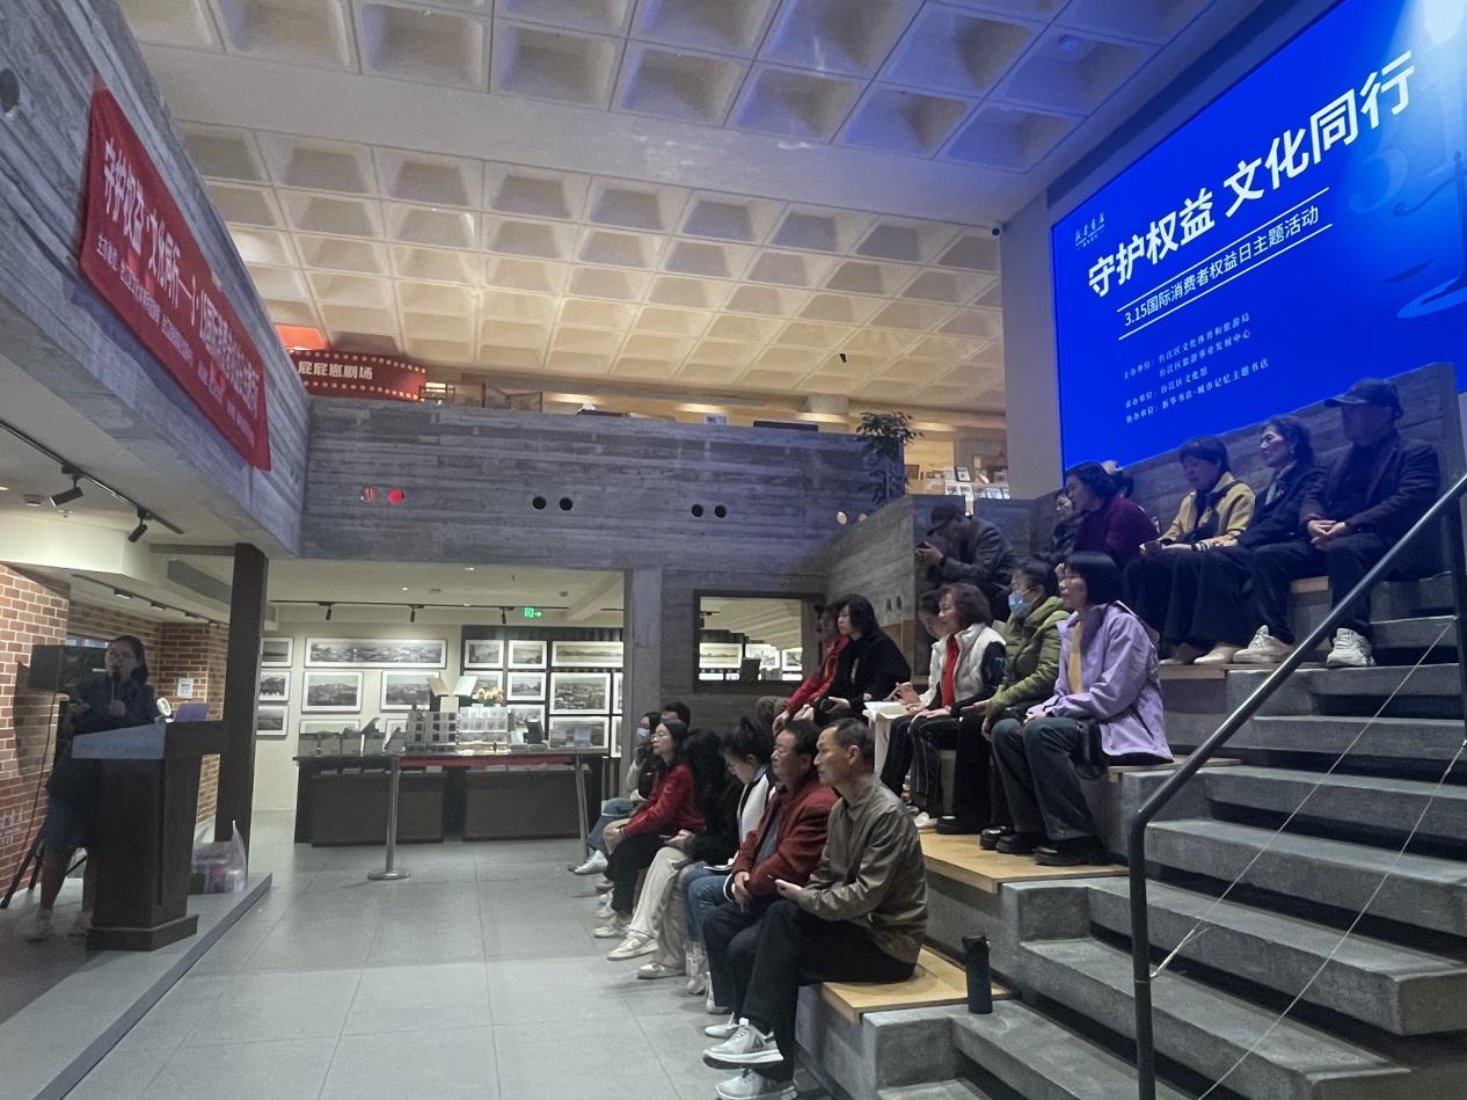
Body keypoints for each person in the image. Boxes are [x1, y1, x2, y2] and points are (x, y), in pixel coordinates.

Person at [701, 719, 926, 1100]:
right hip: (853, 926)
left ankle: (767, 1057)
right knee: (764, 940)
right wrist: (805, 897)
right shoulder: (842, 809)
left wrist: (806, 900)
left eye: (823, 751)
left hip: (887, 944)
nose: (817, 760)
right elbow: (824, 874)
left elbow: (865, 896)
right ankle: (761, 1044)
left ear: (851, 755)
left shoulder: (887, 814)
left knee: (778, 940)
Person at [1234, 379, 1441, 668]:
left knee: (1345, 549)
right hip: (1335, 539)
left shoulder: (1416, 452)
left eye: (1354, 410)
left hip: (1390, 542)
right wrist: (1311, 521)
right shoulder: (1339, 461)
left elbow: (1408, 500)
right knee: (1269, 555)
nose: (1346, 417)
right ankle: (1275, 636)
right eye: (1344, 411)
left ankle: (1353, 634)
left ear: (1385, 413)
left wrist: (1350, 525)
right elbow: (1314, 496)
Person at [991, 553, 1171, 867]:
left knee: (1042, 731)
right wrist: (1041, 709)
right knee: (1006, 729)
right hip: (1083, 720)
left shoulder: (1124, 625)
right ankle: (1032, 828)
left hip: (1121, 725)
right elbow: (1062, 691)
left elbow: (1113, 696)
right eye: (1063, 577)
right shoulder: (1071, 627)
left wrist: (1053, 713)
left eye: (1072, 577)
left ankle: (1078, 838)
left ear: (1095, 581)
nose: (1063, 584)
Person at [698, 720, 837, 1022]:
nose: (773, 756)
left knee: (742, 946)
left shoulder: (819, 804)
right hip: (761, 887)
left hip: (789, 898)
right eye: (774, 748)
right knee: (715, 923)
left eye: (781, 751)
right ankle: (735, 1011)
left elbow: (790, 863)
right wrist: (740, 871)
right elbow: (754, 838)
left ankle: (755, 1023)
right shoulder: (782, 791)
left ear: (804, 760)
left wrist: (749, 884)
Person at [1163, 418, 1328, 665]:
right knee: (1188, 562)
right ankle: (1192, 641)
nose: (1263, 446)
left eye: (1269, 439)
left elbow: (1288, 518)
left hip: (1295, 546)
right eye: (1261, 441)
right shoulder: (1268, 491)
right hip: (1261, 545)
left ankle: (1230, 640)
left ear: (1292, 441)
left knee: (1218, 558)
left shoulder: (1312, 476)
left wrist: (1239, 541)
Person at [27, 635, 158, 942]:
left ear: (137, 661)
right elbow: (73, 728)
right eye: (112, 654)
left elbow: (149, 731)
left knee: (99, 847)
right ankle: (44, 913)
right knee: (58, 845)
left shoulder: (143, 694)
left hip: (113, 782)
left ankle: (88, 913)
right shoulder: (87, 688)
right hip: (75, 780)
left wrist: (124, 716)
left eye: (124, 655)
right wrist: (82, 716)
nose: (116, 660)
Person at [635, 719, 775, 983]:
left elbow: (741, 840)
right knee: (669, 862)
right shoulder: (740, 784)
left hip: (736, 862)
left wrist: (693, 844)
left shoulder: (752, 786)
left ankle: (707, 961)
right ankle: (656, 941)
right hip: (729, 857)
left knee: (692, 881)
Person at [605, 728, 745, 960]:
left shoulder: (724, 786)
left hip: (706, 845)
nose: (653, 738)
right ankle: (643, 934)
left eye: (662, 734)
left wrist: (690, 842)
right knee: (648, 851)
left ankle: (645, 934)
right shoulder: (681, 774)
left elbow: (729, 841)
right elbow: (648, 799)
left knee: (675, 871)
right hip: (692, 837)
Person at [879, 584, 1005, 831]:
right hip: (955, 713)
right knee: (901, 724)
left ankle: (930, 807)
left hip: (975, 717)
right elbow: (940, 688)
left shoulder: (990, 642)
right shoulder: (950, 643)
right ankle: (887, 797)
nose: (941, 615)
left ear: (966, 609)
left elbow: (995, 689)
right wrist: (929, 707)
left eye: (946, 608)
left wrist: (952, 709)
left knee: (923, 728)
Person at [1123, 436, 1256, 657]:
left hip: (1222, 557)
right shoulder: (1190, 500)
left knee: (1188, 561)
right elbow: (1174, 532)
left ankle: (1196, 641)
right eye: (1185, 466)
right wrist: (1157, 546)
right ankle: (1150, 640)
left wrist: (1195, 548)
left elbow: (1236, 536)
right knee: (1139, 566)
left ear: (1217, 462)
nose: (1189, 472)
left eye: (1195, 464)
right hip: (1189, 555)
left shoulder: (1240, 493)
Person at [966, 561, 1067, 847]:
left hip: (1046, 698)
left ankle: (1023, 823)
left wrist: (1000, 703)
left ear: (1035, 591)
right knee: (979, 723)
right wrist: (996, 701)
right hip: (1021, 698)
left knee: (1005, 727)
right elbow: (1009, 674)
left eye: (1016, 588)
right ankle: (994, 817)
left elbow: (1047, 676)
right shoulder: (1017, 620)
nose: (1011, 595)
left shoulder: (1056, 619)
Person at [596, 719, 705, 939]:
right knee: (620, 841)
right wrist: (630, 824)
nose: (654, 739)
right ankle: (620, 903)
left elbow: (661, 813)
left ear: (675, 740)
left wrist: (626, 831)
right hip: (663, 826)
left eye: (661, 735)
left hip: (678, 830)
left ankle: (622, 914)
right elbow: (652, 803)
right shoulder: (664, 768)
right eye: (654, 735)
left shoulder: (680, 772)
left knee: (627, 851)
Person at [570, 709, 660, 876]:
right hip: (638, 800)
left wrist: (638, 797)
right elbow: (630, 785)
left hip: (647, 805)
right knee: (614, 804)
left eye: (646, 728)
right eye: (641, 726)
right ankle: (600, 857)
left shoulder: (660, 759)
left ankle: (601, 858)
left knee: (615, 810)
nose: (642, 731)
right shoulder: (644, 754)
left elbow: (648, 792)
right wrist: (637, 763)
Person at [813, 596, 911, 723]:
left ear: (859, 616)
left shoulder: (881, 644)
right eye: (839, 616)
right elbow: (837, 684)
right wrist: (817, 704)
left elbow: (883, 685)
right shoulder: (848, 648)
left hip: (874, 707)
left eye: (844, 616)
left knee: (839, 718)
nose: (840, 620)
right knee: (818, 713)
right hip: (852, 704)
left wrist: (852, 703)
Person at [914, 503, 1017, 621]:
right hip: (972, 583)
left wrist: (941, 560)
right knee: (930, 598)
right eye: (940, 532)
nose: (943, 535)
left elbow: (981, 573)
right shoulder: (954, 541)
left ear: (958, 519)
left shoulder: (987, 533)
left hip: (997, 585)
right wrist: (931, 565)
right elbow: (949, 573)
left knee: (963, 589)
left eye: (944, 528)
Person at [1066, 461, 1158, 569]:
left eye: (1073, 488)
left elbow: (1109, 561)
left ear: (1090, 485)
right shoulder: (1089, 519)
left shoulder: (1122, 510)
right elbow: (1078, 554)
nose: (1070, 495)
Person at [773, 603, 847, 732]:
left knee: (778, 706)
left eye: (827, 620)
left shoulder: (844, 649)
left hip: (826, 702)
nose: (821, 624)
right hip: (816, 700)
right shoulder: (831, 649)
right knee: (769, 705)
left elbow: (831, 684)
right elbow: (812, 682)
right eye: (821, 619)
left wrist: (809, 704)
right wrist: (790, 709)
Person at [1040, 490, 1081, 566]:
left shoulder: (1084, 529)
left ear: (1076, 504)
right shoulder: (1058, 530)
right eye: (1056, 506)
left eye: (1061, 504)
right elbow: (1046, 551)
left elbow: (1066, 556)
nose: (1057, 509)